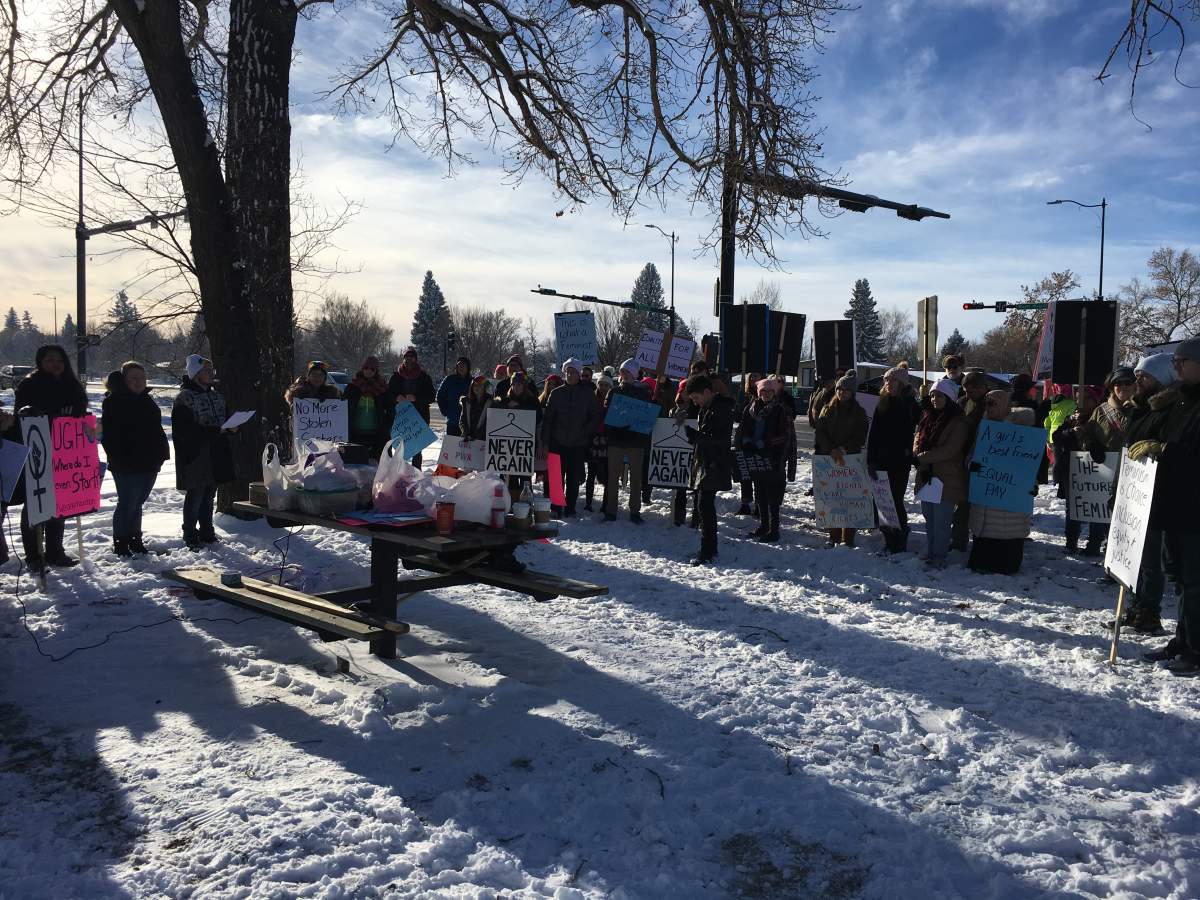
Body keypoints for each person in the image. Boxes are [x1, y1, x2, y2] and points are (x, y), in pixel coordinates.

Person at [1135, 339, 1200, 676]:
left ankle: (1196, 649)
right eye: (1174, 361)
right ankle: (1183, 640)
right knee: (1179, 577)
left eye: (1182, 360)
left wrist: (1165, 450)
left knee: (1195, 581)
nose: (1176, 366)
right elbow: (1144, 434)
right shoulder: (1179, 400)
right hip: (1173, 503)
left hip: (1194, 508)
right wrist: (1151, 409)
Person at [7, 345, 90, 571]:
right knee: (36, 503)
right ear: (41, 362)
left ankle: (55, 551)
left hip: (65, 452)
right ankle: (34, 555)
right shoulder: (30, 384)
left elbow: (80, 412)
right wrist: (51, 416)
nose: (56, 364)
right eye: (50, 360)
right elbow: (22, 416)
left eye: (59, 360)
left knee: (59, 502)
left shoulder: (72, 384)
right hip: (37, 451)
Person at [1119, 353, 1179, 634]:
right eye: (1138, 376)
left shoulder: (1171, 409)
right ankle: (1134, 607)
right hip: (1135, 492)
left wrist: (1159, 448)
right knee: (1136, 556)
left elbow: (1175, 445)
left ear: (1162, 378)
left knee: (1152, 558)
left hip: (1158, 493)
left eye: (1145, 376)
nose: (1138, 381)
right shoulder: (1141, 408)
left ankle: (1148, 612)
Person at [101, 362, 170, 557]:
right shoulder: (115, 401)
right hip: (126, 464)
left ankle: (135, 539)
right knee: (127, 504)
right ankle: (121, 542)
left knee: (137, 503)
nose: (138, 381)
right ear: (124, 380)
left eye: (141, 377)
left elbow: (155, 430)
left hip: (149, 462)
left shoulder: (146, 399)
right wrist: (120, 458)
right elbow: (110, 437)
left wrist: (161, 454)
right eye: (133, 378)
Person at [967, 390, 1037, 574]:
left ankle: (1006, 563)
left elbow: (1029, 461)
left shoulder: (1021, 429)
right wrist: (972, 464)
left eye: (993, 403)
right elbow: (972, 454)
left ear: (1005, 405)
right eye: (986, 403)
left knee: (1007, 532)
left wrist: (1032, 483)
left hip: (1009, 495)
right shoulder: (984, 428)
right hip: (987, 491)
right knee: (985, 534)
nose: (988, 407)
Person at [172, 355, 236, 549]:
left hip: (216, 453)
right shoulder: (185, 398)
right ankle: (190, 533)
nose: (210, 374)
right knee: (196, 495)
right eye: (206, 371)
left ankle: (207, 531)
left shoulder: (217, 396)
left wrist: (234, 427)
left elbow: (226, 419)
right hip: (195, 454)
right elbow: (184, 431)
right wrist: (215, 430)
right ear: (195, 374)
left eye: (211, 370)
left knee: (209, 495)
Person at [867, 366, 922, 553]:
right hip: (881, 460)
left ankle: (900, 538)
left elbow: (920, 427)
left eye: (893, 380)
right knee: (883, 501)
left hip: (900, 461)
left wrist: (910, 452)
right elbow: (874, 434)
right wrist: (871, 460)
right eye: (886, 380)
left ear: (902, 383)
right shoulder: (882, 402)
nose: (888, 383)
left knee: (896, 501)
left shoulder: (910, 404)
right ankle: (888, 538)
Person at [680, 374, 734, 565]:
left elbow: (720, 438)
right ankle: (709, 548)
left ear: (706, 392)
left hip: (714, 463)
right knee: (703, 505)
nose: (695, 402)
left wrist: (697, 436)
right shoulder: (708, 407)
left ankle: (708, 551)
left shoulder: (720, 409)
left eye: (696, 397)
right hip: (707, 461)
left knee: (705, 506)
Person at [814, 373, 869, 547]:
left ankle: (848, 538)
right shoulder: (827, 409)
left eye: (846, 390)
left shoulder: (859, 412)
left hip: (850, 459)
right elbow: (820, 431)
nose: (841, 392)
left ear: (852, 392)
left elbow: (860, 435)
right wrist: (831, 449)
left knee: (850, 499)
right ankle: (834, 536)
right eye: (839, 389)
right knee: (832, 498)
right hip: (829, 459)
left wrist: (843, 449)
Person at [541, 358, 600, 517]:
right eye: (568, 372)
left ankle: (570, 508)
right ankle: (556, 507)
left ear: (579, 374)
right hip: (556, 441)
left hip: (578, 443)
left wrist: (584, 432)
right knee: (556, 478)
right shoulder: (556, 393)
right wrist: (545, 442)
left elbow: (595, 418)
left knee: (573, 479)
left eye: (574, 372)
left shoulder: (588, 394)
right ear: (564, 373)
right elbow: (548, 420)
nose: (570, 375)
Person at [1053, 387, 1104, 555]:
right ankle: (1071, 541)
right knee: (1073, 506)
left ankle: (1094, 544)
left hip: (1097, 470)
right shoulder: (1071, 418)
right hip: (1072, 469)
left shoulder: (1102, 418)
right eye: (1077, 398)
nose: (1080, 402)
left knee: (1097, 507)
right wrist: (1071, 432)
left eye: (1086, 398)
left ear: (1095, 400)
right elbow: (1056, 437)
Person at [603, 358, 651, 523]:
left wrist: (636, 432)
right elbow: (607, 414)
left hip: (636, 442)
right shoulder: (614, 392)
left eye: (627, 371)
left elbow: (647, 417)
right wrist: (615, 429)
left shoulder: (644, 394)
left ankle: (635, 511)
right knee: (612, 477)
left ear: (634, 374)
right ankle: (611, 511)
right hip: (616, 441)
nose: (624, 374)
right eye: (622, 371)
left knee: (636, 478)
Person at [743, 377, 791, 542]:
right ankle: (764, 525)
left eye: (770, 391)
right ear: (759, 393)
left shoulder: (780, 410)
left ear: (774, 393)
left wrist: (766, 443)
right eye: (763, 391)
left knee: (773, 496)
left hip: (773, 457)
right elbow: (745, 428)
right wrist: (747, 441)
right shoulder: (751, 409)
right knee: (760, 493)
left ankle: (774, 529)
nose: (767, 394)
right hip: (755, 455)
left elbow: (784, 435)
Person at [951, 371, 991, 551]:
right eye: (966, 390)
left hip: (984, 460)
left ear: (982, 388)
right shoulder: (962, 403)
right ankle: (959, 540)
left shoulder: (991, 404)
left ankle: (982, 543)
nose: (968, 394)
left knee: (980, 507)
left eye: (972, 390)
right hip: (962, 458)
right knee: (962, 503)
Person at [487, 371, 541, 499]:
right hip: (506, 447)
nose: (516, 387)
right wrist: (505, 406)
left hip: (524, 447)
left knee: (525, 478)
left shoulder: (533, 401)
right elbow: (494, 415)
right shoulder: (503, 400)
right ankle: (510, 503)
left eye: (519, 384)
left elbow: (538, 418)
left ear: (524, 386)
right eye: (514, 384)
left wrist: (520, 408)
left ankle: (526, 504)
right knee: (509, 478)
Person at [388, 347, 436, 466]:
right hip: (400, 418)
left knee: (417, 450)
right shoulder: (395, 377)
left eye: (412, 357)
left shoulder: (424, 377)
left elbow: (431, 396)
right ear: (403, 359)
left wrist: (416, 398)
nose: (409, 359)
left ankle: (416, 473)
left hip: (418, 418)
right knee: (398, 448)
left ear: (416, 359)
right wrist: (396, 398)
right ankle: (397, 471)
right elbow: (387, 394)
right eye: (407, 357)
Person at [342, 355, 394, 459]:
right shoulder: (352, 387)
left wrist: (387, 426)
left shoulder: (383, 388)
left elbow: (391, 409)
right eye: (366, 368)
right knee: (355, 466)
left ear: (376, 371)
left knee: (378, 466)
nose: (368, 371)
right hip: (354, 434)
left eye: (372, 369)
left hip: (377, 435)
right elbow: (342, 407)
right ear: (362, 368)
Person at [734, 372, 764, 516]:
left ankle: (759, 504)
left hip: (756, 441)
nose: (752, 378)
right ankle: (745, 503)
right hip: (743, 440)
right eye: (750, 376)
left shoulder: (763, 396)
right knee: (744, 474)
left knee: (758, 475)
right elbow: (739, 418)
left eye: (756, 376)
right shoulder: (745, 396)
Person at [585, 373, 612, 511]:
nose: (603, 387)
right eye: (601, 384)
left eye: (606, 385)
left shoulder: (614, 399)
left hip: (607, 440)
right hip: (593, 439)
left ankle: (605, 504)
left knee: (607, 474)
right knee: (591, 473)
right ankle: (588, 503)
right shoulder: (591, 398)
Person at [436, 356, 472, 437]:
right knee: (452, 445)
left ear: (468, 367)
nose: (461, 368)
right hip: (453, 422)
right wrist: (445, 411)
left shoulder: (472, 382)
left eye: (463, 365)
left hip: (469, 422)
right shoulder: (449, 379)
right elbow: (440, 396)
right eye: (459, 365)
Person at [459, 374, 491, 441]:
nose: (476, 387)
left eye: (480, 385)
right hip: (468, 439)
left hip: (483, 441)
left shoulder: (491, 403)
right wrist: (465, 433)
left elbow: (489, 423)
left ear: (485, 388)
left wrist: (476, 436)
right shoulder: (466, 402)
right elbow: (462, 421)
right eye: (474, 385)